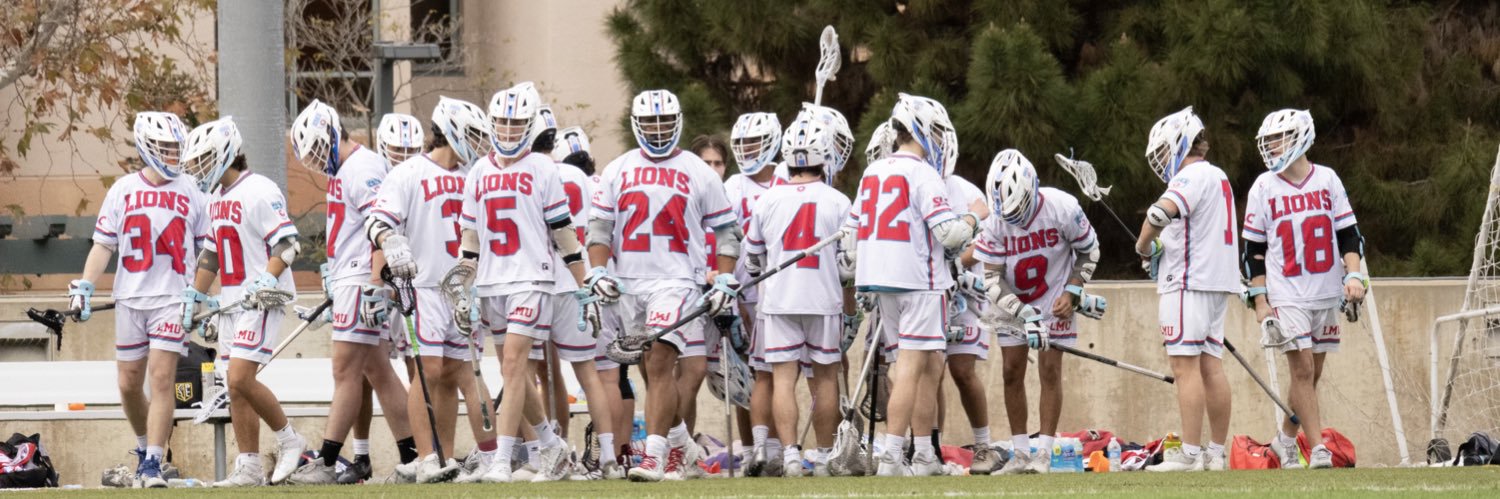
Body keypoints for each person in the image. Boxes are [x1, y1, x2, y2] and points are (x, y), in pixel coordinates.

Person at [587, 89, 740, 482]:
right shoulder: (617, 168)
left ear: (678, 122)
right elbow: (600, 228)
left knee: (659, 361)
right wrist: (599, 271)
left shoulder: (698, 170)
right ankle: (682, 445)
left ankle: (654, 455)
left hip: (676, 280)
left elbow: (725, 230)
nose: (658, 130)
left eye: (665, 122)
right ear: (637, 124)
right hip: (628, 284)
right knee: (650, 370)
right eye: (651, 123)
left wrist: (723, 275)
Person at [452, 82, 590, 483]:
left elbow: (563, 232)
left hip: (533, 277)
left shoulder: (543, 168)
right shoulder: (478, 170)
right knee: (516, 373)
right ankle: (551, 446)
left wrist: (584, 283)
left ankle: (500, 458)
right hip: (492, 282)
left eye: (517, 125)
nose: (509, 132)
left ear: (530, 126)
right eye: (502, 124)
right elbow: (470, 240)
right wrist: (463, 286)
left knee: (513, 366)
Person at [842, 94, 981, 476]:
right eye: (934, 131)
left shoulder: (873, 172)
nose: (937, 139)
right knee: (909, 366)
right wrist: (974, 217)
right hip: (918, 279)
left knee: (926, 366)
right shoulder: (923, 173)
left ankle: (923, 455)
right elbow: (950, 235)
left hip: (881, 279)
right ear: (919, 129)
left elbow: (852, 232)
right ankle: (891, 457)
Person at [71, 112, 209, 488]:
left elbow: (205, 251)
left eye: (176, 148)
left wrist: (200, 298)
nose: (173, 155)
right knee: (129, 383)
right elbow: (104, 244)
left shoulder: (192, 189)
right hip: (131, 297)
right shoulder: (122, 190)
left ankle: (152, 463)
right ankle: (144, 449)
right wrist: (85, 286)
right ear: (147, 147)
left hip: (172, 297)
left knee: (161, 378)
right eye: (165, 148)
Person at [365, 96, 497, 483]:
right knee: (428, 372)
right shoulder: (408, 173)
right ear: (450, 130)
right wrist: (390, 241)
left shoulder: (474, 175)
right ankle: (426, 458)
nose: (476, 143)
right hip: (421, 287)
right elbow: (377, 222)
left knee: (463, 373)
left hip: (461, 290)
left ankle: (461, 456)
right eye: (470, 134)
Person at [283, 100, 413, 484]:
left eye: (318, 150)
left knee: (344, 369)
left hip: (361, 280)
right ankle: (414, 455)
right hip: (348, 279)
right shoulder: (343, 170)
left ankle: (326, 460)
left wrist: (376, 285)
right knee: (377, 370)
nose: (317, 160)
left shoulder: (364, 167)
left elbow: (382, 230)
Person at [176, 117, 304, 487]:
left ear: (225, 154)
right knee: (233, 386)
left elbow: (287, 243)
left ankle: (289, 439)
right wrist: (195, 296)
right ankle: (248, 465)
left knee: (240, 377)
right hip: (233, 301)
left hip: (263, 298)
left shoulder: (259, 189)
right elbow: (212, 254)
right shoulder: (217, 198)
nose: (197, 169)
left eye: (203, 160)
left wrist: (267, 277)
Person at [1242, 109, 1366, 470]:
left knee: (1313, 376)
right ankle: (1318, 448)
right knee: (1302, 372)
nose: (1272, 147)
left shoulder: (1327, 179)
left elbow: (1348, 233)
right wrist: (1261, 301)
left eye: (1277, 138)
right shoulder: (1263, 187)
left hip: (1325, 290)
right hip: (1287, 293)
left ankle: (1283, 440)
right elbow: (1252, 252)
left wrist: (1353, 276)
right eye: (1268, 141)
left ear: (1301, 137)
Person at [973, 150, 1101, 475]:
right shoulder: (995, 221)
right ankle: (1019, 454)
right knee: (1011, 371)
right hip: (1012, 301)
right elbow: (991, 278)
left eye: (1019, 212)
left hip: (1054, 297)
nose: (1014, 221)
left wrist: (1073, 291)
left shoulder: (1062, 207)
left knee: (1049, 371)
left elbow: (1090, 250)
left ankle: (1043, 454)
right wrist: (1022, 313)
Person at [743, 112, 854, 478]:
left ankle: (790, 454)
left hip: (779, 301)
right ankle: (822, 456)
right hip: (823, 299)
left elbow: (753, 259)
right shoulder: (839, 201)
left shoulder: (767, 200)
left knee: (783, 377)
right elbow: (848, 266)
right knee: (824, 379)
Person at [1135, 106, 1238, 472]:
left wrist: (1144, 246)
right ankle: (1215, 453)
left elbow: (1159, 214)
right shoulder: (1219, 176)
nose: (1163, 160)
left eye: (1164, 151)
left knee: (1185, 368)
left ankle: (1191, 455)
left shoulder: (1190, 176)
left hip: (1188, 283)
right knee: (1212, 366)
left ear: (1180, 144)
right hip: (1216, 283)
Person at [528, 108, 623, 480]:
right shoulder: (584, 178)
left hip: (542, 279)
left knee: (537, 373)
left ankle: (551, 450)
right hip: (579, 280)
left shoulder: (533, 173)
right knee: (589, 374)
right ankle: (609, 455)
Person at [341, 111, 427, 484]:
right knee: (363, 368)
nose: (404, 156)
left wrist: (379, 279)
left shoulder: (416, 178)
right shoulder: (381, 177)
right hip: (386, 284)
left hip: (413, 285)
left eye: (410, 149)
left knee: (416, 370)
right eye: (397, 149)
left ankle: (423, 451)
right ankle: (364, 455)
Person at [720, 112, 786, 476]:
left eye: (754, 142)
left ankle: (776, 449)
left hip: (776, 290)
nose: (747, 150)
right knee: (746, 378)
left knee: (777, 374)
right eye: (742, 144)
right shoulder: (732, 185)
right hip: (741, 290)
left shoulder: (786, 180)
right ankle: (752, 452)